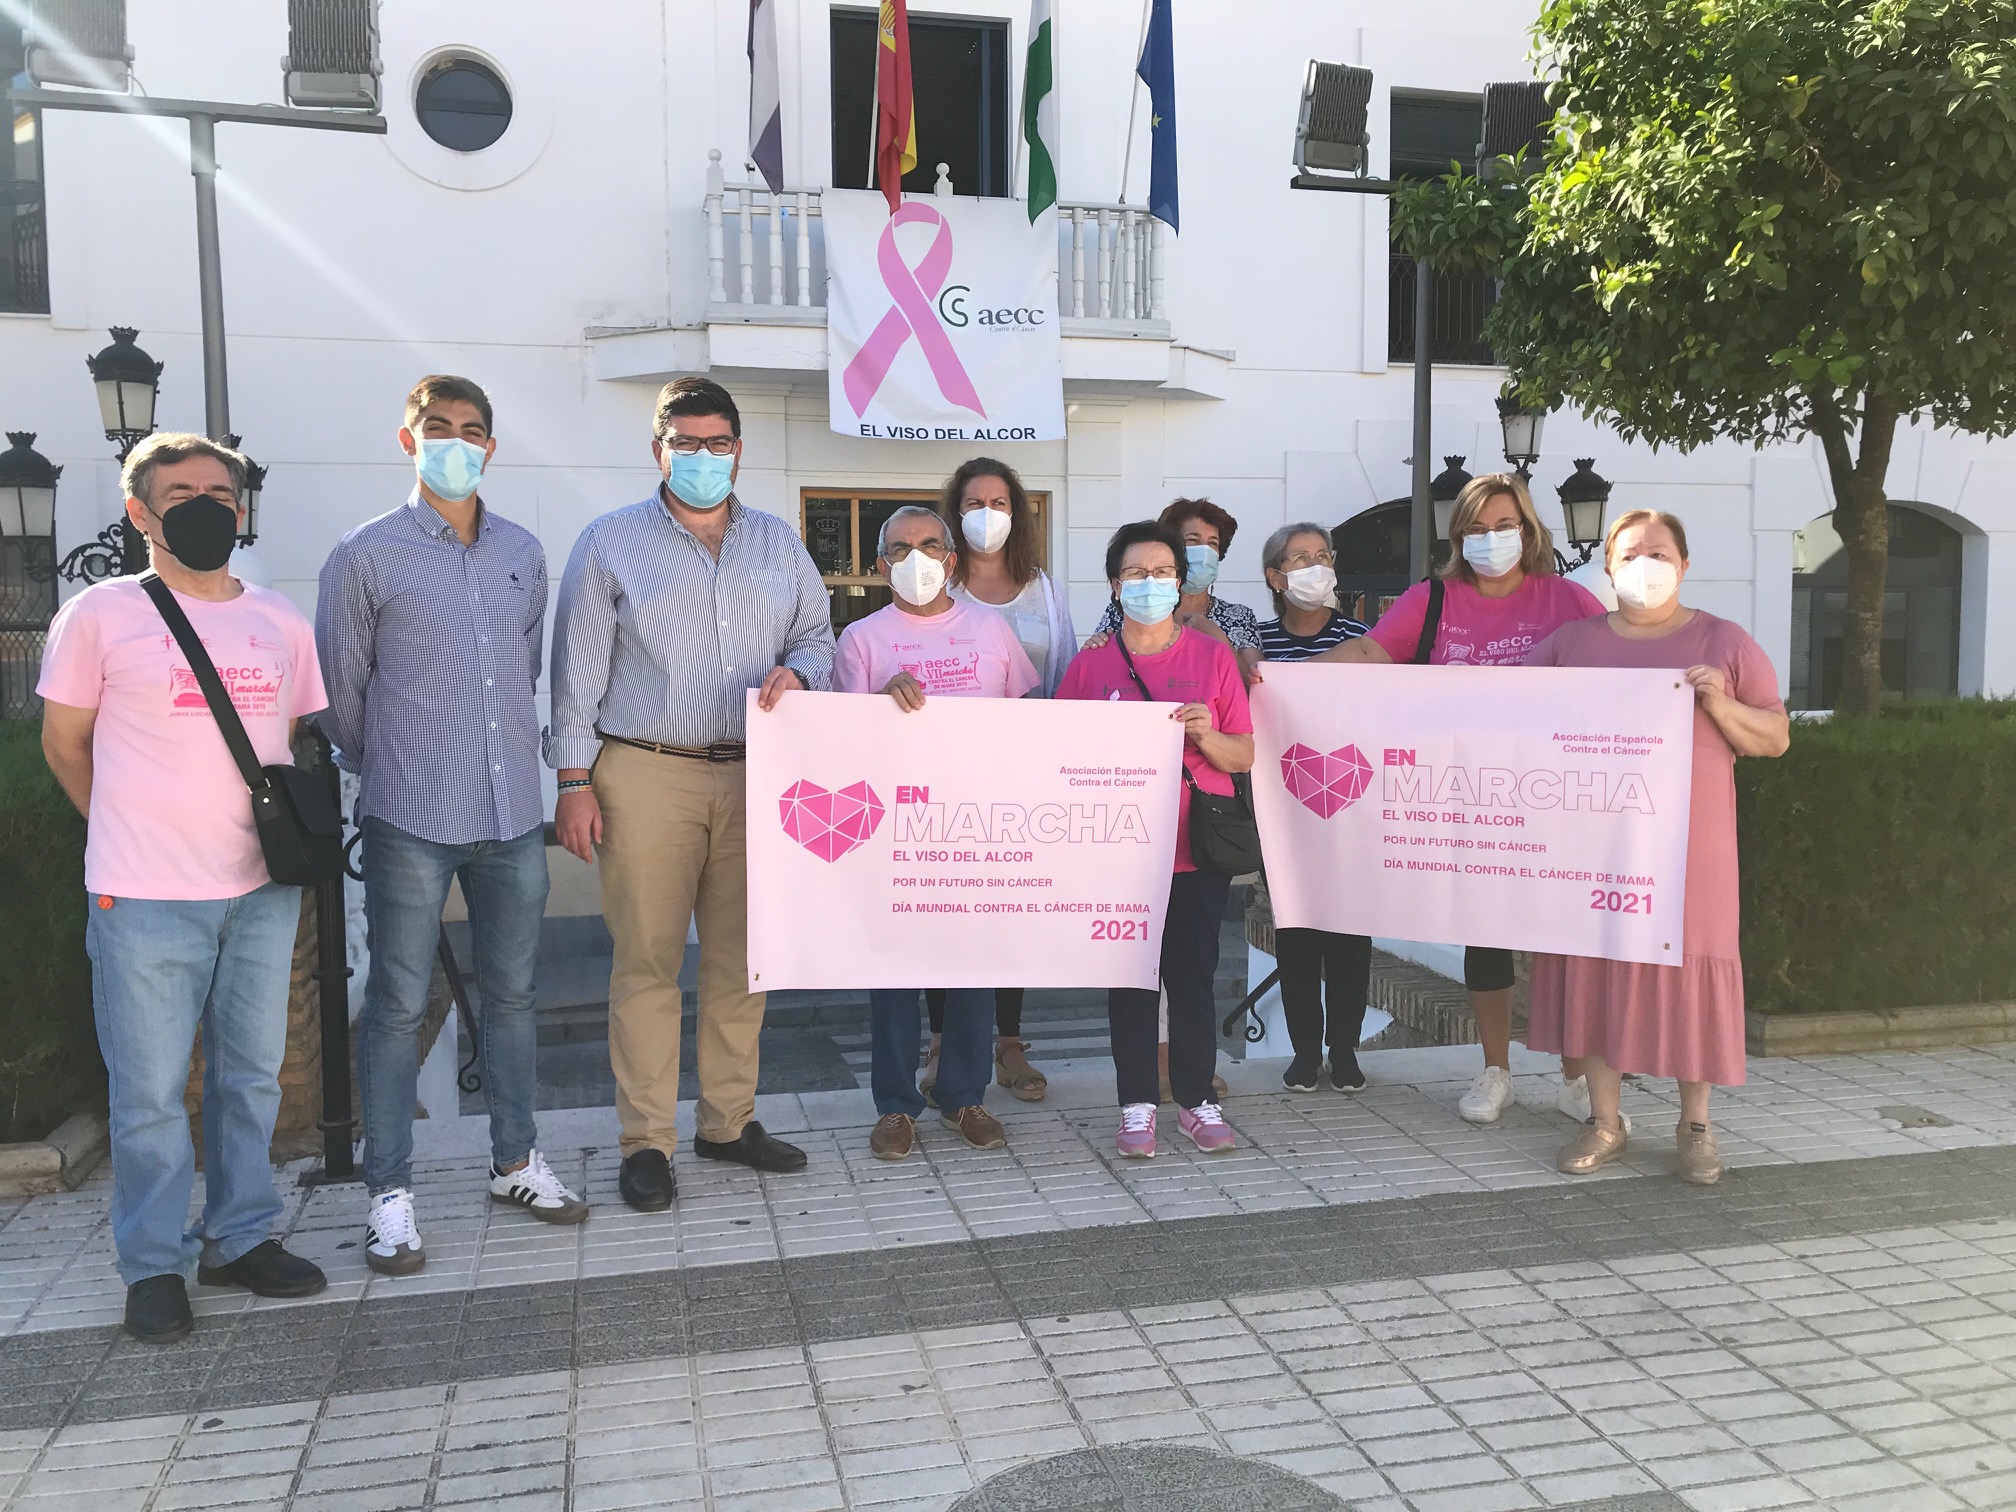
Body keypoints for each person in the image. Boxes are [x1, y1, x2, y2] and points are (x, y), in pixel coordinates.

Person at [38, 433, 328, 1343]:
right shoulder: (98, 615)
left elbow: (291, 741)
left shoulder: (279, 620)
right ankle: (154, 1265)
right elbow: (65, 744)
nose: (207, 508)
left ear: (240, 509)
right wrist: (127, 827)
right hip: (143, 895)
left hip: (262, 889)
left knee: (251, 1080)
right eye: (182, 495)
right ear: (140, 512)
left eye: (221, 494)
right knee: (151, 1095)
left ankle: (239, 1238)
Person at [317, 375, 586, 1277]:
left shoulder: (521, 551)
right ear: (409, 440)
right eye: (439, 428)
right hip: (411, 814)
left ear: (491, 447)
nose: (457, 443)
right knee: (397, 1005)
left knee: (512, 997)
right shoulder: (364, 556)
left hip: (511, 813)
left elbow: (522, 667)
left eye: (473, 431)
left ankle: (515, 1162)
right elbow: (342, 695)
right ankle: (389, 1195)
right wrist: (399, 762)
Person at [548, 376, 835, 1212]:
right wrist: (573, 780)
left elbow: (816, 636)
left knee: (744, 958)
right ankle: (646, 1141)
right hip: (647, 770)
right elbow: (576, 674)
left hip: (756, 771)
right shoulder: (609, 542)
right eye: (686, 444)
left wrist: (802, 671)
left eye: (717, 444)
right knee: (646, 961)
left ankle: (727, 1122)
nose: (703, 457)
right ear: (658, 450)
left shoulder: (779, 544)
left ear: (738, 451)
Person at [1311, 473, 1606, 1126]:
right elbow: (1371, 652)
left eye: (1503, 526)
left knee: (1563, 941)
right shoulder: (1433, 600)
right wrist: (1285, 677)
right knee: (1486, 936)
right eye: (1475, 529)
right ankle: (1496, 1070)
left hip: (1551, 799)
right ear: (1456, 538)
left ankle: (1576, 1078)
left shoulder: (1568, 600)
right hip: (1472, 799)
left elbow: (1618, 671)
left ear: (1528, 531)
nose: (1490, 539)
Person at [1525, 510, 1789, 1184]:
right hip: (1593, 845)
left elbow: (1775, 737)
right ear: (1608, 568)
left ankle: (1695, 1126)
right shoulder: (1571, 644)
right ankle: (1604, 1121)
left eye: (1660, 553)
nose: (1645, 565)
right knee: (1597, 966)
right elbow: (1506, 712)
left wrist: (1719, 705)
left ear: (1685, 564)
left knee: (1692, 966)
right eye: (1631, 554)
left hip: (1692, 848)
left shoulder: (1723, 642)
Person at [834, 505, 1040, 1160]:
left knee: (972, 968)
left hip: (975, 827)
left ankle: (964, 1097)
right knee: (894, 974)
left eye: (928, 545)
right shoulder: (861, 641)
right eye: (899, 549)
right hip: (894, 833)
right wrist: (878, 707)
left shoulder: (991, 630)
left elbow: (1026, 722)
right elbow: (840, 744)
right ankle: (896, 1107)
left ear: (952, 560)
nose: (915, 559)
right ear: (880, 565)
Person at [1057, 520, 1254, 1158]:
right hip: (1119, 854)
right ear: (1116, 585)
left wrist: (1205, 734)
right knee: (1131, 983)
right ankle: (1136, 1106)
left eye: (1163, 572)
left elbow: (1243, 755)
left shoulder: (1212, 657)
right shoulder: (1091, 664)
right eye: (1137, 573)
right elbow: (1058, 752)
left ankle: (1197, 1101)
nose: (1151, 583)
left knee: (1193, 978)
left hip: (1196, 848)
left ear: (1179, 581)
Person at [922, 456, 1077, 1103]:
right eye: (973, 503)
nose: (987, 514)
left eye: (1000, 503)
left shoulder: (1043, 589)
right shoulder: (937, 583)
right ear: (954, 513)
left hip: (1021, 778)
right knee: (945, 913)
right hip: (945, 778)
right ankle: (942, 1043)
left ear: (1018, 513)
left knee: (1011, 911)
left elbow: (1065, 676)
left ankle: (1008, 1041)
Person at [1254, 522, 1374, 1093]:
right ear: (1275, 577)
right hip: (1284, 814)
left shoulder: (1360, 636)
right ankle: (1305, 1053)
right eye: (1299, 558)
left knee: (1350, 935)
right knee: (1296, 934)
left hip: (1352, 804)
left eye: (1322, 555)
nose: (1315, 566)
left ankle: (1344, 1051)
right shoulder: (1257, 645)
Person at [1089, 498, 1263, 665]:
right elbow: (1098, 660)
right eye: (1192, 540)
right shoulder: (1129, 608)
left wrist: (1220, 640)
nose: (1204, 552)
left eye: (1212, 543)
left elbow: (1256, 681)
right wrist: (1096, 645)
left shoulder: (1239, 617)